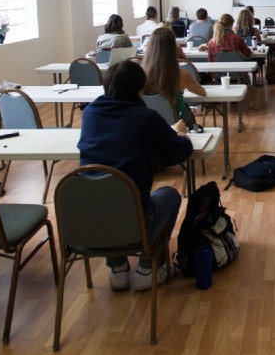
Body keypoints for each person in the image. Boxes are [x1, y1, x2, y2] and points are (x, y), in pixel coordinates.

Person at [77, 59, 192, 292]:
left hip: (89, 222)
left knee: (105, 192)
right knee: (169, 195)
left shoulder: (89, 113)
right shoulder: (144, 117)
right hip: (135, 220)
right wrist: (182, 137)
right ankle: (148, 268)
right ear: (140, 88)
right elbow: (175, 154)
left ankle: (118, 269)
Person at [142, 25, 206, 123]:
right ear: (173, 47)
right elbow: (202, 92)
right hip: (179, 122)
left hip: (150, 122)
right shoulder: (182, 74)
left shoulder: (141, 74)